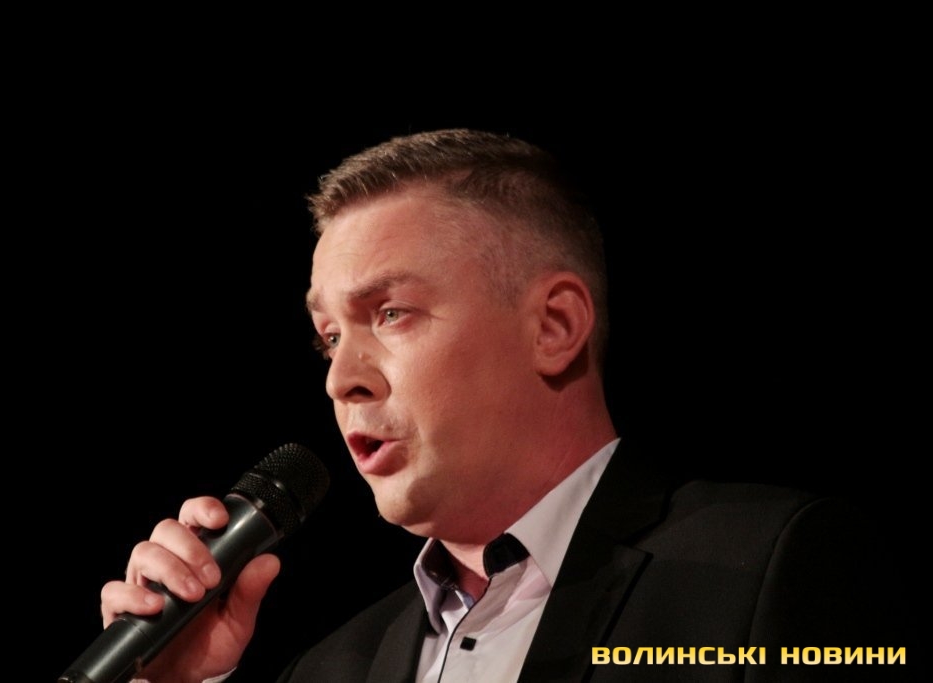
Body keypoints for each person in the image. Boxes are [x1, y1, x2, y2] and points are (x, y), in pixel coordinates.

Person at [96, 129, 913, 682]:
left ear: (554, 326)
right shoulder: (333, 666)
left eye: (391, 313)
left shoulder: (763, 567)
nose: (341, 377)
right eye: (328, 337)